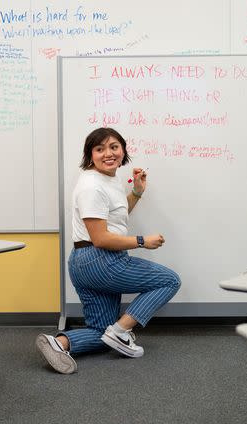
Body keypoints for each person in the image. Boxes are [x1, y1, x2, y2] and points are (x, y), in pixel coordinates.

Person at [35, 127, 181, 374]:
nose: (108, 153)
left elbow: (114, 220)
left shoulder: (107, 180)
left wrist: (136, 192)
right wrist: (143, 241)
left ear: (123, 150)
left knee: (100, 332)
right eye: (100, 149)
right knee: (169, 281)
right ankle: (121, 332)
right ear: (90, 155)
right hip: (100, 260)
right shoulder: (92, 186)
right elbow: (101, 238)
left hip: (87, 262)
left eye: (114, 147)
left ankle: (59, 343)